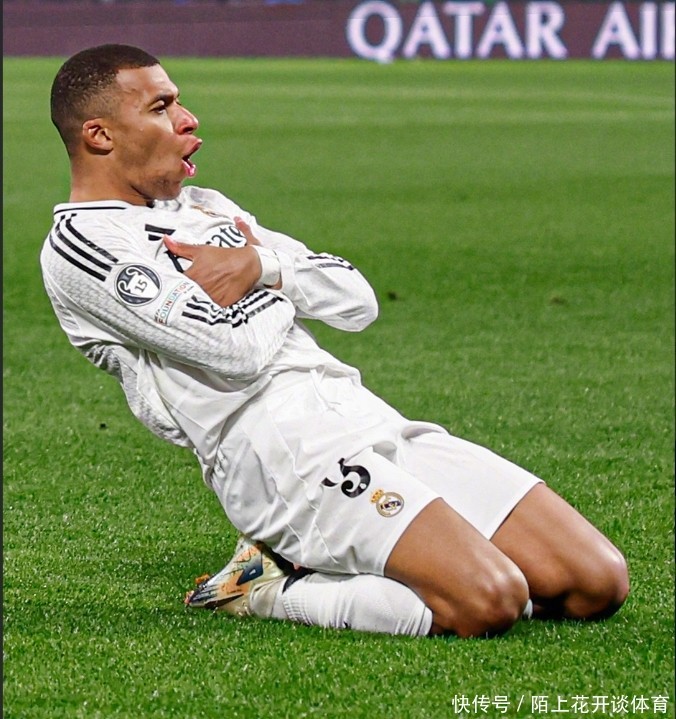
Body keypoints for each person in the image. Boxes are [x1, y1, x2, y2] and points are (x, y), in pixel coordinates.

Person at [41, 44, 629, 639]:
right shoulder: (83, 245)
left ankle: (384, 562)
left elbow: (356, 301)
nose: (188, 119)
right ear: (100, 135)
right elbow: (233, 350)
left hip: (363, 415)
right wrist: (275, 278)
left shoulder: (204, 207)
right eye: (161, 106)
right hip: (279, 452)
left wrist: (260, 268)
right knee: (491, 602)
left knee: (595, 582)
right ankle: (266, 589)